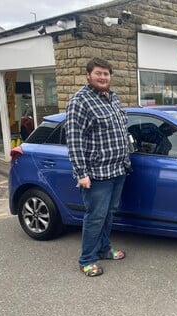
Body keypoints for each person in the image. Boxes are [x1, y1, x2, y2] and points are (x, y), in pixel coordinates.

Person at [65, 57, 131, 277]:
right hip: (97, 173)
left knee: (108, 214)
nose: (103, 77)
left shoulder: (113, 98)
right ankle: (87, 259)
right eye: (99, 73)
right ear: (88, 75)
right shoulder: (80, 101)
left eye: (106, 74)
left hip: (119, 169)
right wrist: (81, 173)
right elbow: (74, 140)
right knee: (95, 216)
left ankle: (104, 249)